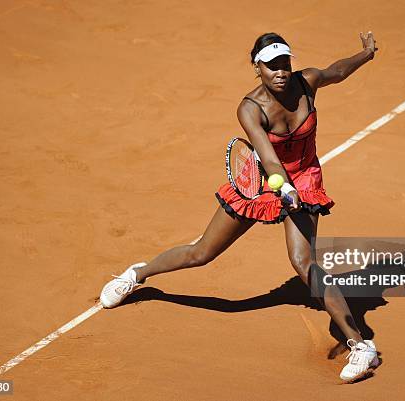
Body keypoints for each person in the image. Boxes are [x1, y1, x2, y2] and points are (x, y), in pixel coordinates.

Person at [100, 31, 378, 383]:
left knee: (303, 262)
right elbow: (268, 157)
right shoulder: (250, 108)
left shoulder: (306, 82)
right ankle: (136, 274)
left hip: (304, 177)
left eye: (284, 63)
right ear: (256, 68)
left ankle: (361, 345)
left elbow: (337, 70)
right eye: (271, 65)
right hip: (264, 179)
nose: (280, 71)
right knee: (201, 253)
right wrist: (283, 188)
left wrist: (365, 54)